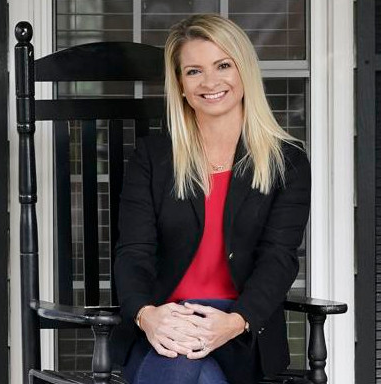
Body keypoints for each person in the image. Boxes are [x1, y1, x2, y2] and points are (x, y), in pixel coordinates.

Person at [112, 13, 311, 384]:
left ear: (244, 72)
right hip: (164, 327)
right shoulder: (153, 158)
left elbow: (278, 258)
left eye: (222, 65)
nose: (210, 82)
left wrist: (236, 322)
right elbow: (133, 252)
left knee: (183, 362)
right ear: (180, 85)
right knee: (185, 358)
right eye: (193, 71)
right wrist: (146, 315)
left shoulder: (288, 162)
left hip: (239, 328)